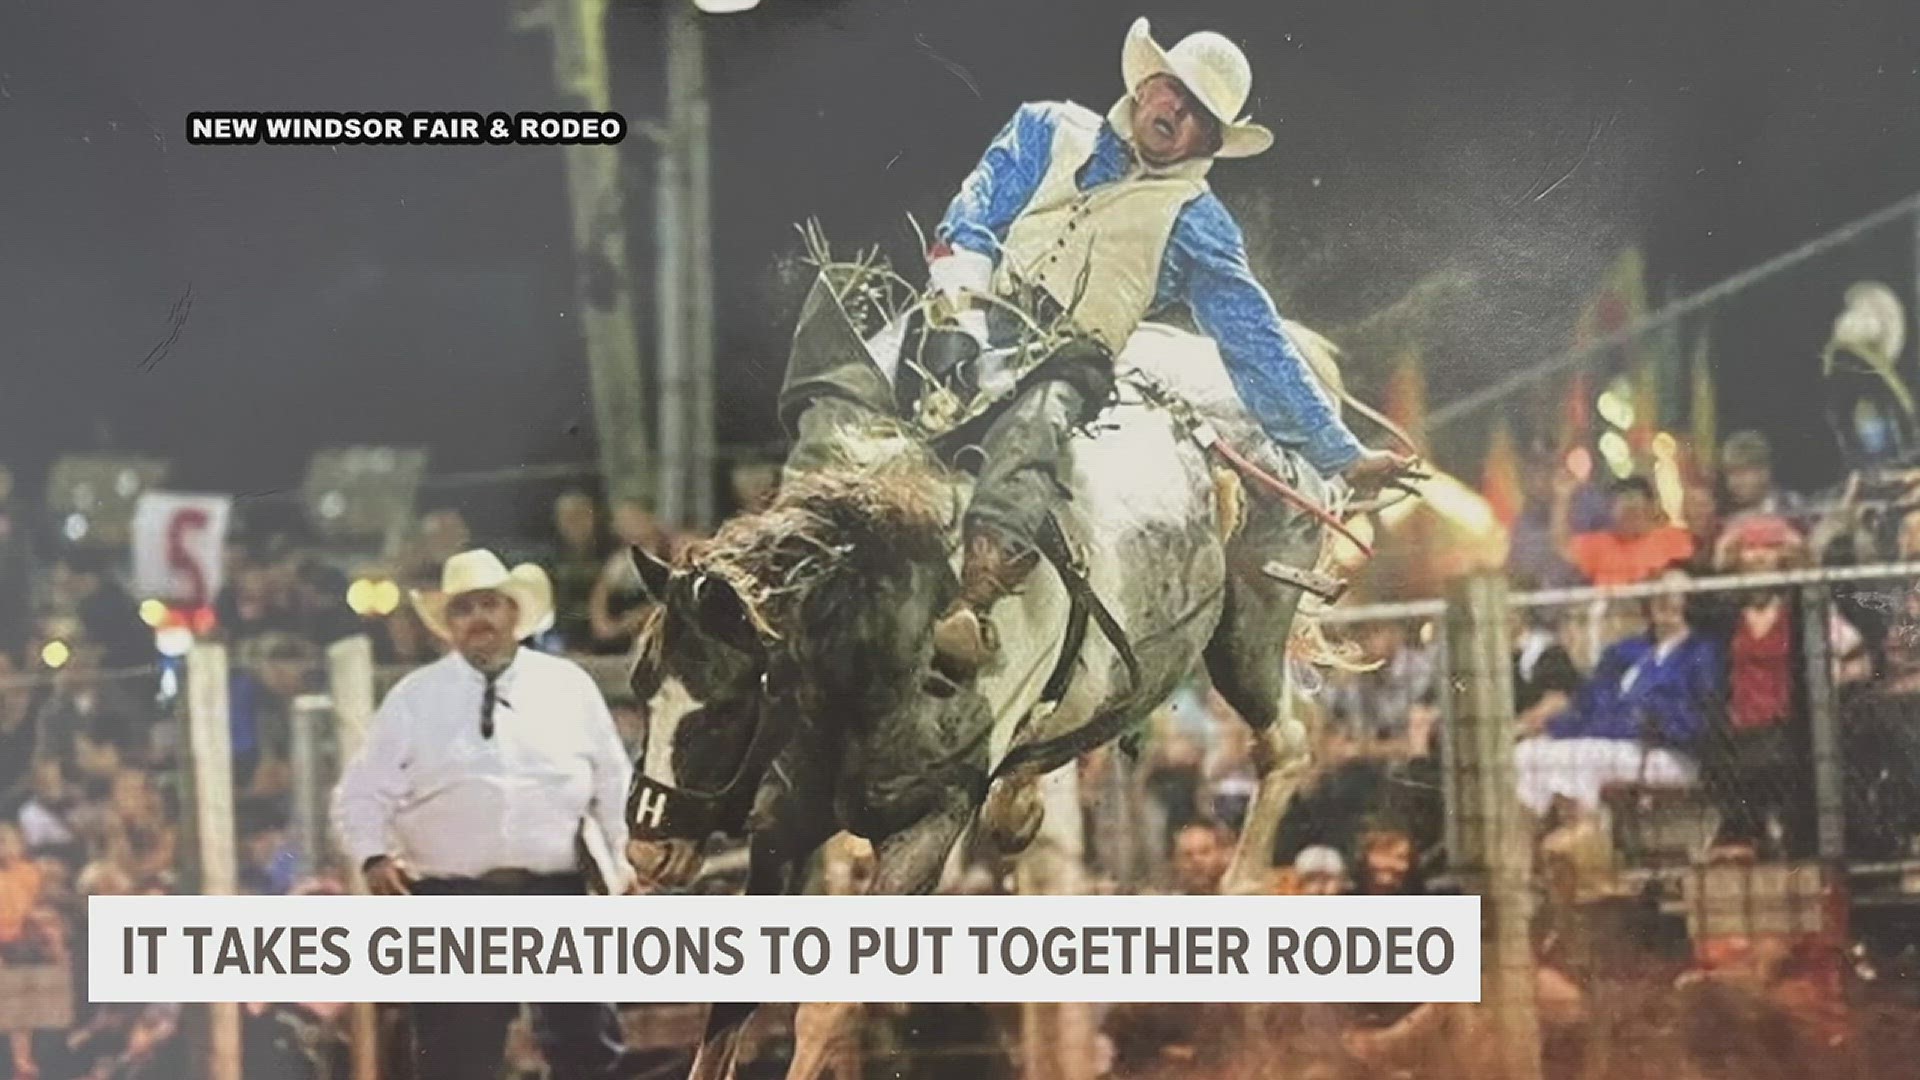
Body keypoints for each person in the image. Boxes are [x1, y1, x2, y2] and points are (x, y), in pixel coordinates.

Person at [921, 17, 1413, 679]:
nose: (1177, 116)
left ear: (1209, 141)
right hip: (971, 313)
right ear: (1148, 86)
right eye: (1174, 95)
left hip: (1068, 363)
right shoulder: (1047, 128)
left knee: (1035, 420)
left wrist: (1343, 457)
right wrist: (957, 319)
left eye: (1199, 118)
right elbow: (972, 216)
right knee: (851, 374)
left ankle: (974, 600)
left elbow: (1253, 341)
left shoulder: (1197, 222)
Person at [330, 549, 661, 1080]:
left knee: (586, 1048)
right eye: (463, 608)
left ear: (513, 614)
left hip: (557, 890)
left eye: (489, 604)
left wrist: (629, 865)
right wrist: (371, 855)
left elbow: (612, 785)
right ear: (449, 625)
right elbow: (360, 792)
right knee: (455, 1055)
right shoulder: (415, 698)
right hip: (451, 896)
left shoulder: (567, 687)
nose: (478, 619)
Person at [1514, 567, 1723, 815]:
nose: (1669, 603)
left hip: (1667, 751)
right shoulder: (1624, 652)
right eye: (1661, 596)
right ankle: (1532, 833)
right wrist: (1552, 728)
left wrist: (1638, 719)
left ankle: (1582, 835)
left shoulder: (1701, 653)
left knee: (1582, 758)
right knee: (1527, 753)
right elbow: (1590, 705)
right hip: (1610, 743)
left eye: (1679, 597)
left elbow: (1693, 719)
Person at [1551, 474, 1696, 586]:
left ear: (1650, 509)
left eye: (1636, 512)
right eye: (1625, 512)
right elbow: (1563, 547)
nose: (1630, 519)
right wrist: (1563, 498)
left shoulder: (1672, 539)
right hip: (1613, 619)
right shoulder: (1599, 545)